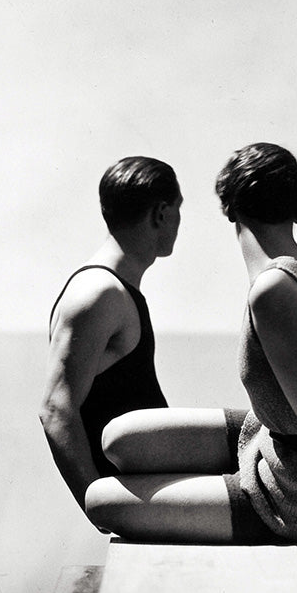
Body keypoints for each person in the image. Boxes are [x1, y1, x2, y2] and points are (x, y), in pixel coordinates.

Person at [85, 143, 297, 563]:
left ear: (231, 206)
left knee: (102, 499)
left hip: (294, 489)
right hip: (273, 438)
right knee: (119, 436)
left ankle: (233, 497)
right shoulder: (295, 269)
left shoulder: (275, 289)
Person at [40, 156, 183, 518]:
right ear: (161, 213)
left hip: (148, 488)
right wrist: (100, 505)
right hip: (138, 497)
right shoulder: (101, 292)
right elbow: (57, 409)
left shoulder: (114, 291)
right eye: (178, 211)